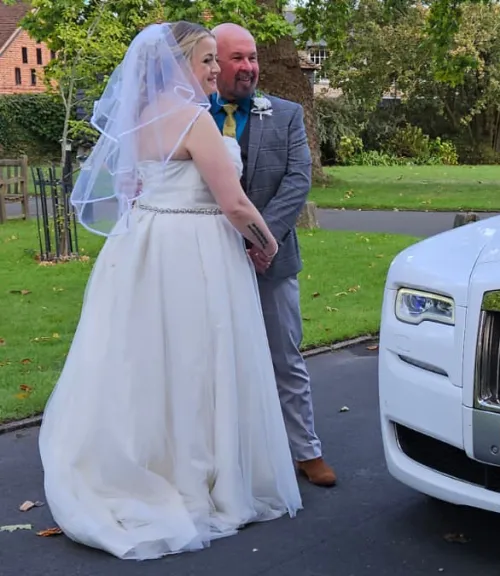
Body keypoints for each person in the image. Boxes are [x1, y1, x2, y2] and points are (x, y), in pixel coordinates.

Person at [37, 21, 302, 560]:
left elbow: (132, 190)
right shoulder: (195, 121)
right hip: (196, 251)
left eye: (214, 60)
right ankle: (200, 478)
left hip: (145, 248)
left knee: (153, 363)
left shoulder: (138, 119)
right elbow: (234, 206)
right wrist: (267, 245)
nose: (214, 70)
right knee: (198, 362)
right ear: (178, 64)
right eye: (206, 60)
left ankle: (154, 465)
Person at [208, 23, 336, 487]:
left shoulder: (285, 113)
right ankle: (226, 454)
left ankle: (305, 450)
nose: (249, 68)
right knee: (211, 358)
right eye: (237, 58)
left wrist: (262, 239)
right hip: (207, 258)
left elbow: (297, 181)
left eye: (253, 57)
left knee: (286, 356)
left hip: (272, 259)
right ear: (212, 62)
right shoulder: (189, 116)